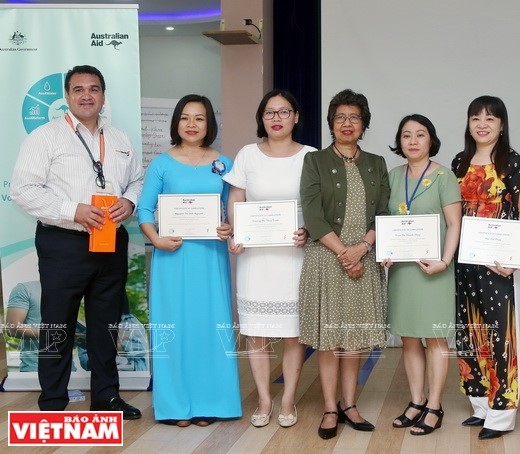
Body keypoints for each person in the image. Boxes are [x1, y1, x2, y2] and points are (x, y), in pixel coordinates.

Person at [10, 65, 143, 419]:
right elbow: (24, 190)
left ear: (103, 96)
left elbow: (138, 181)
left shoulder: (119, 139)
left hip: (111, 240)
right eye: (78, 89)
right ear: (67, 96)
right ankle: (52, 402)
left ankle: (106, 396)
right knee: (57, 324)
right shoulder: (45, 137)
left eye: (94, 89)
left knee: (106, 324)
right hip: (63, 242)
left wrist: (129, 201)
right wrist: (74, 211)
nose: (87, 95)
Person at [138, 94, 241, 427]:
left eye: (199, 118)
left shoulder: (224, 163)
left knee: (210, 329)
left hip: (210, 260)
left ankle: (212, 403)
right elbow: (144, 208)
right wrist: (156, 239)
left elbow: (232, 209)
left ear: (209, 123)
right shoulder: (162, 163)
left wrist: (229, 227)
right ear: (176, 123)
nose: (192, 124)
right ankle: (175, 406)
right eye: (185, 118)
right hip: (173, 257)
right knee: (176, 330)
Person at [452, 96, 520, 440]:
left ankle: (502, 413)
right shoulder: (460, 161)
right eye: (475, 117)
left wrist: (513, 260)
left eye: (490, 119)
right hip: (465, 263)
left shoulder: (514, 164)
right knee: (471, 331)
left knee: (502, 335)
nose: (482, 124)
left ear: (502, 125)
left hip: (499, 266)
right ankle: (480, 404)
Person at [298, 89, 389, 440]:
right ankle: (330, 408)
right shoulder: (315, 161)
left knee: (354, 339)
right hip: (326, 257)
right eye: (340, 118)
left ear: (363, 124)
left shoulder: (376, 163)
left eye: (354, 118)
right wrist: (344, 253)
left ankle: (350, 404)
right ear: (331, 124)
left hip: (363, 257)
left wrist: (362, 248)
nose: (347, 124)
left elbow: (383, 211)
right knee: (329, 339)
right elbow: (313, 214)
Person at [224, 89, 314, 428]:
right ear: (261, 118)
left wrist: (307, 231)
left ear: (296, 117)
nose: (276, 118)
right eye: (269, 113)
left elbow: (315, 206)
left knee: (292, 333)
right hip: (256, 258)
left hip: (294, 255)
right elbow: (236, 197)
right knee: (256, 332)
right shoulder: (248, 154)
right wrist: (235, 232)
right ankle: (264, 398)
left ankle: (288, 397)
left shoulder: (310, 156)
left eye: (284, 112)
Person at [382, 114, 461, 435]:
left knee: (435, 337)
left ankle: (435, 405)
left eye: (420, 134)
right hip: (402, 270)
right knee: (409, 337)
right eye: (406, 135)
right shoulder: (392, 175)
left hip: (435, 270)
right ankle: (416, 401)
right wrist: (385, 251)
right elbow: (386, 221)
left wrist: (445, 260)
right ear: (399, 142)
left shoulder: (444, 176)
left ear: (431, 140)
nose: (413, 141)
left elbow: (455, 224)